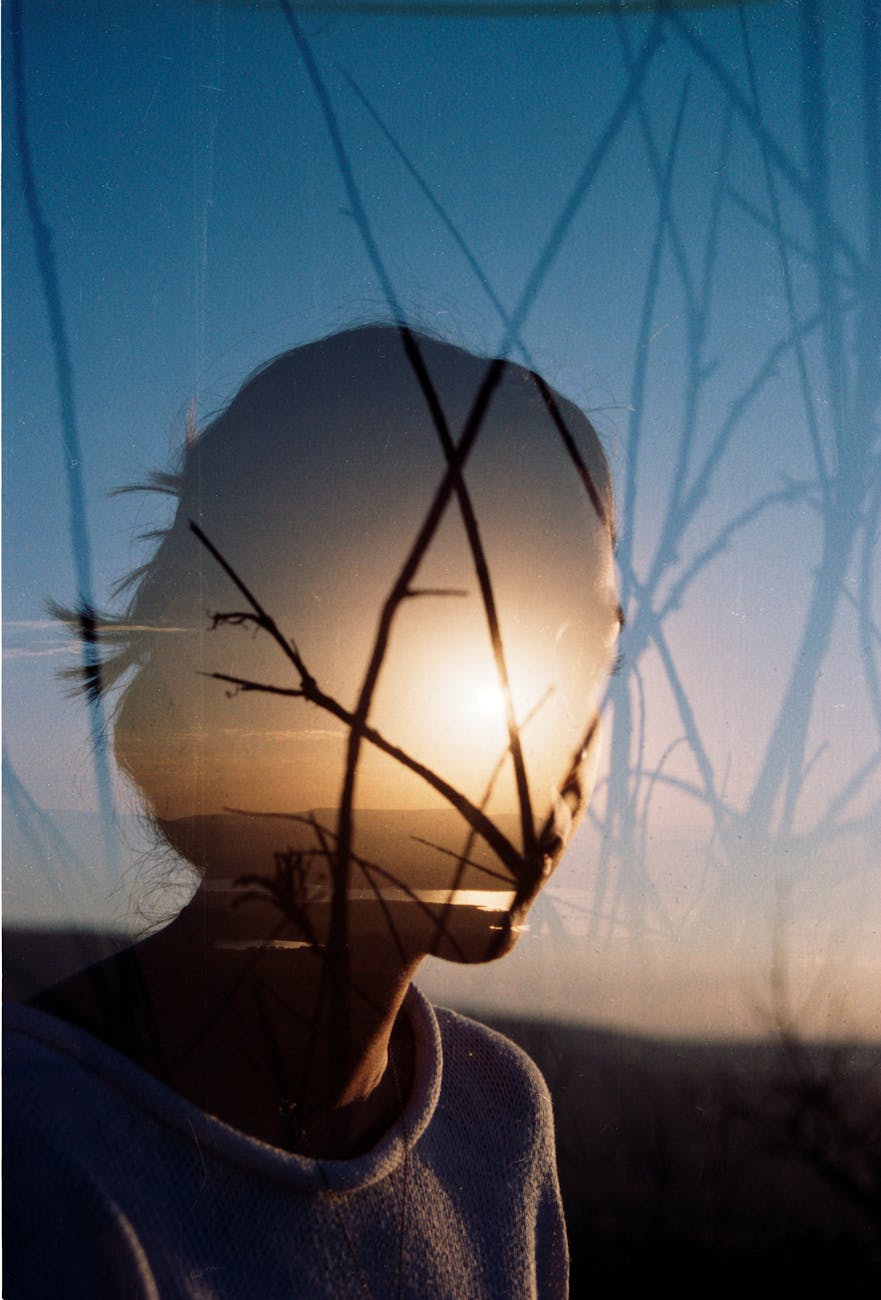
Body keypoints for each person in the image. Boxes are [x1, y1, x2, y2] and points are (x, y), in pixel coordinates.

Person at [4, 325, 621, 1298]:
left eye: (588, 654)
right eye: (475, 637)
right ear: (271, 665)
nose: (559, 745)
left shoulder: (497, 1118)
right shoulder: (36, 1166)